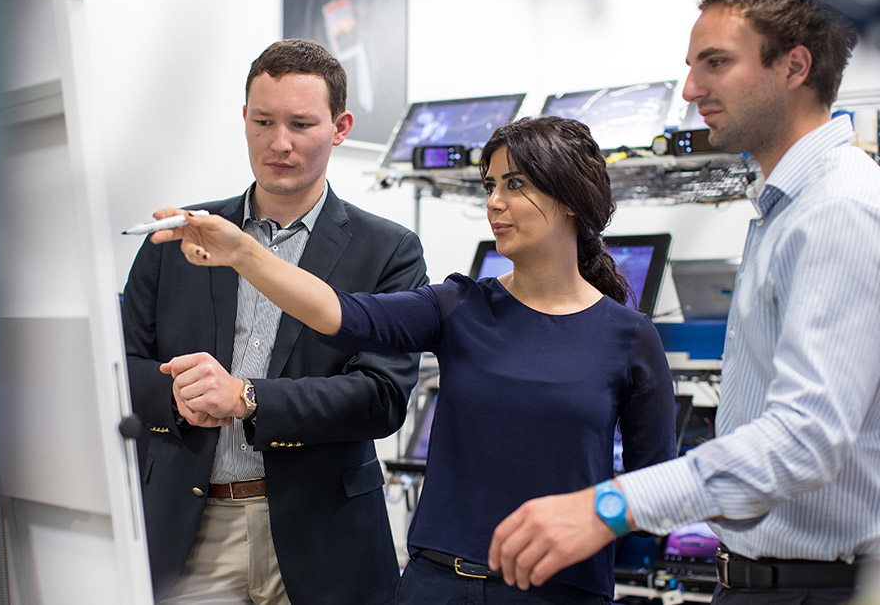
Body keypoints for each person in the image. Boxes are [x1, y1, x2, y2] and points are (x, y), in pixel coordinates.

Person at [152, 115, 678, 604]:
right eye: (490, 185)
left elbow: (657, 490)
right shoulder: (460, 305)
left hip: (560, 590)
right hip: (438, 585)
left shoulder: (628, 337)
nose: (494, 201)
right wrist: (243, 252)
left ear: (569, 199)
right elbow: (340, 313)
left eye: (515, 184)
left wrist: (594, 515)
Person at [487, 0, 880, 605]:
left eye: (715, 64)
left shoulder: (836, 209)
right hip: (762, 576)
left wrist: (609, 505)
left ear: (795, 66)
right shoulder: (787, 207)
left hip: (812, 587)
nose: (691, 89)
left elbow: (807, 437)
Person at [121, 38, 428, 605]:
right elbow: (117, 370)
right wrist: (179, 395)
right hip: (188, 526)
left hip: (322, 534)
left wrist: (248, 397)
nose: (278, 143)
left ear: (340, 127)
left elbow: (380, 398)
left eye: (301, 124)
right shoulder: (177, 237)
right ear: (243, 118)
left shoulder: (388, 250)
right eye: (262, 121)